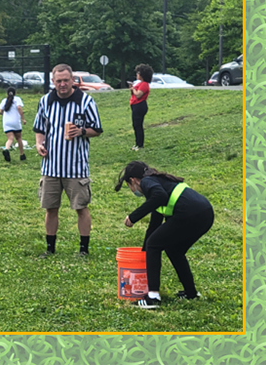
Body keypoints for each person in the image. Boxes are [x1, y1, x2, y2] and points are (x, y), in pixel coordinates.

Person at [115, 160, 214, 309]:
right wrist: (144, 251)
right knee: (174, 250)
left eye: (129, 186)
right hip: (205, 214)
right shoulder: (158, 185)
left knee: (155, 244)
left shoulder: (148, 182)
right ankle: (191, 292)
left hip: (190, 213)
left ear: (133, 180)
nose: (132, 189)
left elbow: (159, 197)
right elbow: (154, 226)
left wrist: (133, 217)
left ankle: (153, 297)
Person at [33, 64, 103, 257]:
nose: (62, 84)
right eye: (59, 81)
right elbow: (39, 128)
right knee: (50, 208)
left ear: (73, 80)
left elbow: (96, 129)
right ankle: (50, 248)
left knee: (81, 207)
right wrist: (39, 145)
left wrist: (81, 131)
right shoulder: (45, 101)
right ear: (53, 82)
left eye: (66, 80)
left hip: (76, 167)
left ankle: (83, 249)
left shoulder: (86, 101)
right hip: (51, 167)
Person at [129, 63, 153, 151]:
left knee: (138, 125)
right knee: (135, 125)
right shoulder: (140, 84)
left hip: (139, 106)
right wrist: (132, 88)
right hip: (135, 106)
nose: (137, 74)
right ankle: (137, 143)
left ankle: (140, 144)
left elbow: (138, 95)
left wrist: (133, 90)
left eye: (138, 73)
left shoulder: (144, 84)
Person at [0, 87, 26, 162]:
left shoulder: (4, 101)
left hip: (7, 122)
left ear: (7, 93)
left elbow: (0, 111)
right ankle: (22, 155)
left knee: (10, 139)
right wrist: (23, 118)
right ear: (15, 93)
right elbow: (19, 107)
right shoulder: (17, 99)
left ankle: (6, 149)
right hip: (15, 122)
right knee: (19, 138)